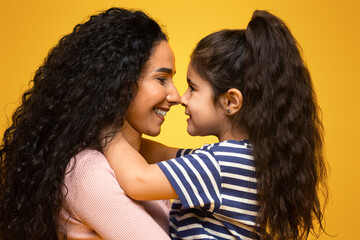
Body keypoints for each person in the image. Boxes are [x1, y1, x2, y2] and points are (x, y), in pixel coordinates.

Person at [104, 10, 328, 240]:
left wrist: (104, 127)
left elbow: (138, 180)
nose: (182, 98)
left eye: (193, 88)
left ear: (230, 102)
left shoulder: (222, 164)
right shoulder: (237, 158)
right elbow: (160, 153)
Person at [0, 7, 181, 240]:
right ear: (119, 82)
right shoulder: (86, 171)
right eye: (161, 79)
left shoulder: (139, 164)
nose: (176, 96)